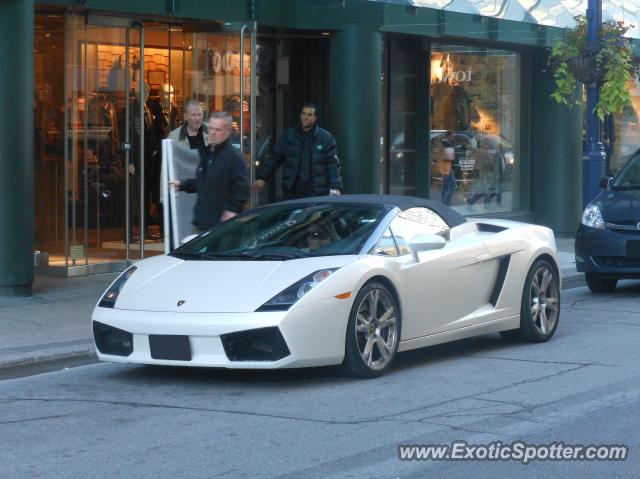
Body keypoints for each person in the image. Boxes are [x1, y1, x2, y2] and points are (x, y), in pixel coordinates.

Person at [169, 112, 250, 231]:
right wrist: (182, 184)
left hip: (223, 227)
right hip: (202, 223)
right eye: (211, 128)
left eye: (218, 130)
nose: (213, 132)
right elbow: (203, 182)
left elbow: (242, 187)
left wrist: (232, 210)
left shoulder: (234, 157)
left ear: (227, 132)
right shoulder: (208, 153)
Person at [253, 102, 342, 199]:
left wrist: (336, 187)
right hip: (292, 189)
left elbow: (332, 165)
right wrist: (263, 178)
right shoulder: (289, 135)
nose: (305, 117)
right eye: (303, 114)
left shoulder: (326, 138)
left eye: (309, 115)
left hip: (316, 190)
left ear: (315, 118)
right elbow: (275, 158)